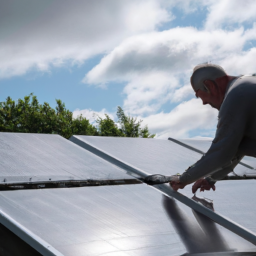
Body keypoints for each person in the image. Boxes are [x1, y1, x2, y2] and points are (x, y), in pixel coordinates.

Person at [170, 63, 256, 193]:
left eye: (199, 95)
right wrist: (210, 178)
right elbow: (236, 148)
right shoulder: (247, 84)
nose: (204, 102)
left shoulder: (236, 96)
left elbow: (221, 152)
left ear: (209, 85)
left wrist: (183, 179)